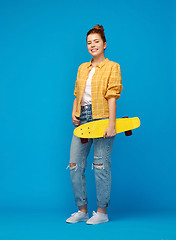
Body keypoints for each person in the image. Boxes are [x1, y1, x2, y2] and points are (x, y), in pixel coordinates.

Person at [66, 24, 123, 225]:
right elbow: (77, 94)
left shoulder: (112, 66)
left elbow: (112, 97)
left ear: (104, 44)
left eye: (96, 41)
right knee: (74, 164)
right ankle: (82, 210)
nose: (92, 45)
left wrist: (111, 124)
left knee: (100, 164)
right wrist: (75, 113)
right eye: (89, 43)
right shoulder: (82, 68)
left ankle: (101, 212)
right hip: (83, 119)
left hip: (102, 118)